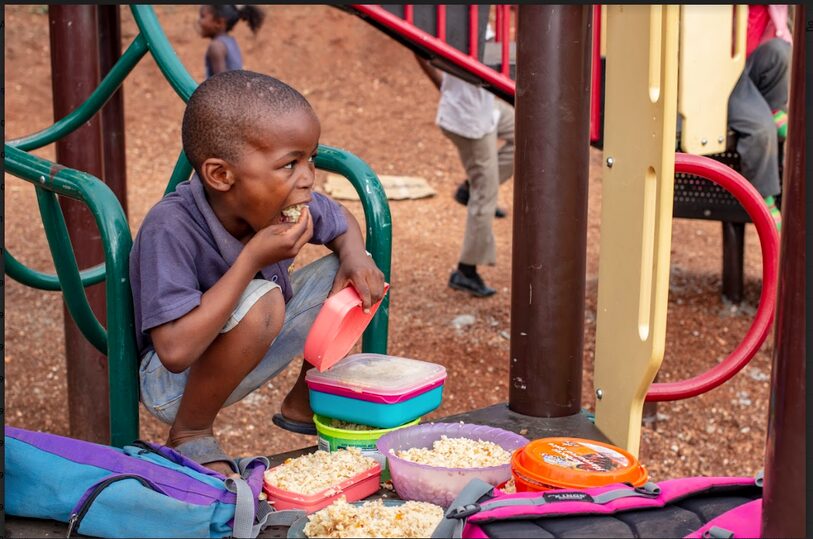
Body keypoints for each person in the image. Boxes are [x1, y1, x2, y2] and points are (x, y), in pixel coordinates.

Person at [129, 70, 386, 475]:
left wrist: (355, 254)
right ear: (221, 175)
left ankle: (305, 400)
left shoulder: (282, 202)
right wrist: (251, 259)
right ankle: (191, 433)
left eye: (311, 159)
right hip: (173, 386)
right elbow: (175, 353)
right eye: (290, 164)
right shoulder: (170, 228)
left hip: (253, 341)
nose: (309, 178)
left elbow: (340, 220)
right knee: (263, 297)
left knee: (347, 271)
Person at [414, 54, 515, 298]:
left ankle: (471, 189)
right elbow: (419, 49)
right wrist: (442, 85)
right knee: (486, 193)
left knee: (529, 131)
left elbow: (501, 54)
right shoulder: (459, 31)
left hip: (486, 108)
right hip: (470, 121)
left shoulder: (484, 32)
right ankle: (466, 271)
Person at [727, 4, 791, 231]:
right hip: (722, 73)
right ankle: (765, 200)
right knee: (761, 129)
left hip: (749, 68)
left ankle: (773, 108)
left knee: (779, 51)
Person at [196, 5, 265, 79]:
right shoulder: (230, 41)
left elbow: (221, 82)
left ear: (218, 22)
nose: (199, 21)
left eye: (202, 16)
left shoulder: (216, 46)